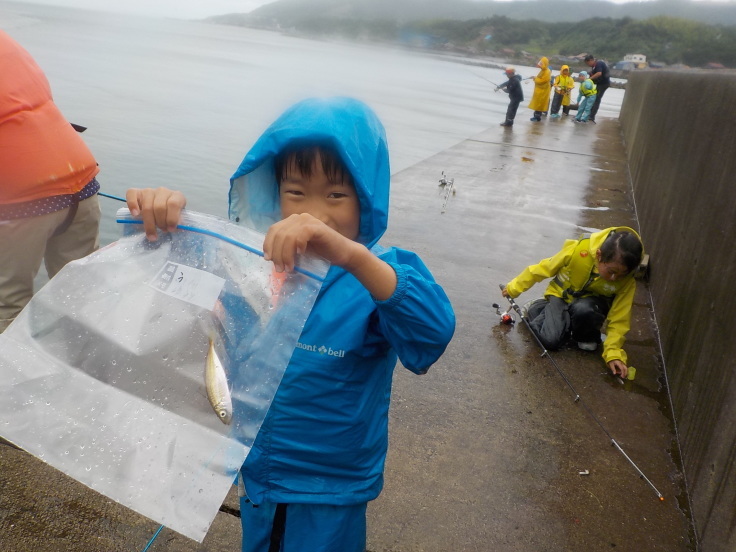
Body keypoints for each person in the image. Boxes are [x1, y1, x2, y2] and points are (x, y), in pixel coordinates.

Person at [126, 97, 456, 552]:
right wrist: (156, 224)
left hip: (330, 488)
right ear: (272, 192)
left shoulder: (379, 271)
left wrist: (351, 255)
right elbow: (172, 290)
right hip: (259, 472)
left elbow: (430, 336)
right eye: (296, 192)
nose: (314, 214)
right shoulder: (250, 265)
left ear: (367, 199)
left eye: (337, 195)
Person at [0, 30, 101, 333]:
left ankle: (11, 378)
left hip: (21, 197)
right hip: (80, 175)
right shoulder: (7, 42)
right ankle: (85, 365)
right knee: (82, 298)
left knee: (7, 305)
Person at [501, 227, 643, 379]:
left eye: (622, 274)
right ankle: (537, 307)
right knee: (551, 341)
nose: (615, 278)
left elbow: (620, 319)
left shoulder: (627, 282)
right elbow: (543, 268)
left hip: (587, 308)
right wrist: (515, 287)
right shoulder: (578, 250)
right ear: (599, 255)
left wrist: (614, 354)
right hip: (560, 298)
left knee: (587, 329)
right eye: (612, 271)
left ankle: (577, 331)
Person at [584, 54, 610, 123]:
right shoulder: (594, 67)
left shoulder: (599, 63)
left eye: (588, 63)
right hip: (599, 84)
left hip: (604, 84)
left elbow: (599, 73)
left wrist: (589, 79)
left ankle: (591, 117)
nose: (588, 65)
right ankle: (589, 114)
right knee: (594, 98)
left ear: (591, 60)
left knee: (597, 99)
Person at [528, 56, 551, 122]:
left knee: (540, 104)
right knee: (538, 103)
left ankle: (537, 117)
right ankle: (536, 116)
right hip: (540, 90)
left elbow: (542, 81)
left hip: (543, 91)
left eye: (541, 64)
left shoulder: (547, 71)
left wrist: (535, 79)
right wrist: (535, 77)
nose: (540, 66)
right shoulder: (543, 71)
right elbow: (540, 78)